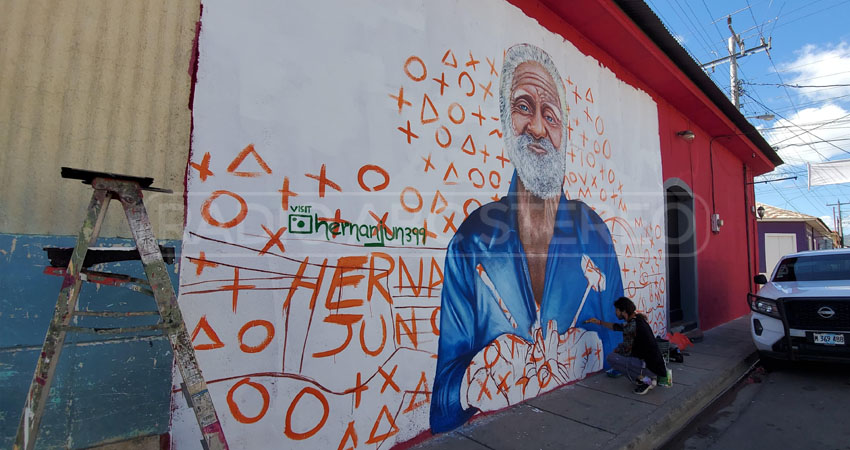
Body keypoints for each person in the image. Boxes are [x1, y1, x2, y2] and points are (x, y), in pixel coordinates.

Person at [429, 43, 624, 433]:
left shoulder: (594, 234)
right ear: (504, 121)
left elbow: (620, 344)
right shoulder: (472, 241)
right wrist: (478, 378)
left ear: (564, 133)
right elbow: (441, 405)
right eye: (523, 107)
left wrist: (592, 350)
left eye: (549, 115)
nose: (537, 127)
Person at [584, 297, 667, 395]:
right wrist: (599, 322)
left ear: (623, 311)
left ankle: (646, 380)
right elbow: (617, 327)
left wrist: (617, 350)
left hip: (650, 365)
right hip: (655, 364)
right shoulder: (637, 319)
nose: (615, 312)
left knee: (612, 358)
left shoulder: (632, 326)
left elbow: (626, 350)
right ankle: (646, 377)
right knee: (620, 356)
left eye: (617, 310)